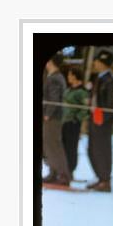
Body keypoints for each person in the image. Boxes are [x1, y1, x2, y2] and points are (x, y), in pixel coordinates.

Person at [86, 49, 113, 192]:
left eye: (98, 61)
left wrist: (101, 119)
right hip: (94, 117)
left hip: (102, 120)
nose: (95, 63)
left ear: (104, 63)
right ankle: (100, 177)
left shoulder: (111, 81)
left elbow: (112, 105)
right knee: (92, 149)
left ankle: (105, 180)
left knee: (102, 149)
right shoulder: (98, 78)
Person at [42, 55, 71, 186]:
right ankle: (53, 172)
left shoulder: (54, 78)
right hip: (52, 117)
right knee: (49, 145)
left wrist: (48, 114)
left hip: (53, 117)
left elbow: (53, 99)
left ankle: (63, 175)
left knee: (54, 145)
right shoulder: (54, 76)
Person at [61, 68, 89, 181]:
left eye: (70, 75)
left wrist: (77, 118)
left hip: (73, 123)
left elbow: (85, 108)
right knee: (63, 146)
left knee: (71, 148)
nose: (68, 78)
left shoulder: (82, 92)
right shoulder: (68, 90)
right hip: (64, 122)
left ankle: (70, 171)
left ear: (75, 76)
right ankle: (63, 170)